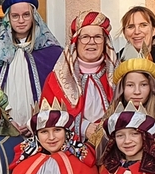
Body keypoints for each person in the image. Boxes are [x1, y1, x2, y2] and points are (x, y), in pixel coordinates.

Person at [0, 0, 62, 131]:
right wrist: (6, 120)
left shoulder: (52, 53)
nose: (21, 20)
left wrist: (37, 122)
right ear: (8, 19)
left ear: (34, 17)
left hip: (42, 130)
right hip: (4, 127)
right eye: (15, 16)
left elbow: (59, 93)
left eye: (26, 15)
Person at [41, 11, 117, 147]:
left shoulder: (118, 75)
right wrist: (83, 127)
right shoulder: (56, 78)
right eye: (85, 37)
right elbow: (47, 118)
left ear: (105, 41)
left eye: (98, 37)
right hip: (70, 149)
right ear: (76, 41)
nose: (92, 42)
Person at [115, 6, 155, 83]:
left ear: (154, 30)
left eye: (143, 25)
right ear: (124, 33)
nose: (137, 32)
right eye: (131, 27)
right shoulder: (114, 62)